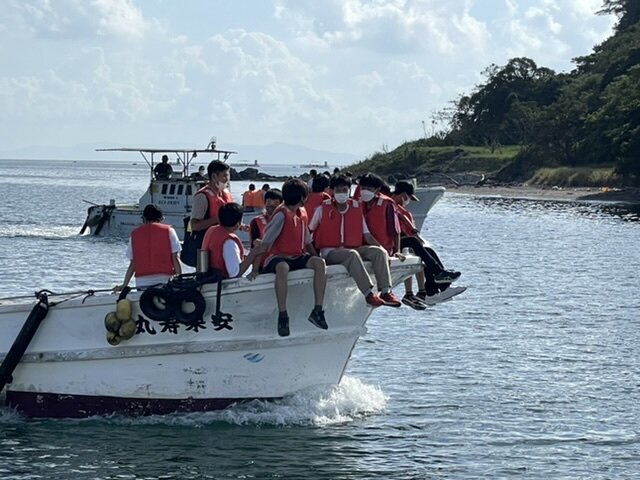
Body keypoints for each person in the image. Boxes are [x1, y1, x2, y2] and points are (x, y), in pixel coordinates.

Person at [309, 175, 402, 308]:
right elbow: (309, 231)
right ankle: (368, 294)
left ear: (349, 191)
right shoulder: (322, 209)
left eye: (344, 190)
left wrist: (384, 250)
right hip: (331, 252)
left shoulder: (356, 209)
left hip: (354, 247)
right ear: (332, 191)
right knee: (352, 254)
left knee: (378, 252)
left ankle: (386, 291)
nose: (342, 193)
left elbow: (367, 236)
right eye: (338, 190)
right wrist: (311, 254)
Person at [259, 178, 327, 337]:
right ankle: (283, 314)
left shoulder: (301, 214)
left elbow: (307, 241)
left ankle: (317, 310)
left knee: (319, 263)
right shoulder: (281, 215)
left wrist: (316, 257)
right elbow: (266, 242)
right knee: (282, 268)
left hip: (297, 256)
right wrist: (256, 266)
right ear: (302, 197)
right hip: (278, 257)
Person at [391, 181, 461, 307]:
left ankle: (438, 287)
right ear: (403, 195)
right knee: (415, 245)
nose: (409, 202)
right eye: (408, 198)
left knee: (428, 251)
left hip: (402, 240)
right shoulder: (391, 206)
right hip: (393, 242)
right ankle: (436, 280)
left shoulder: (398, 207)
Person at [115, 204, 181, 290]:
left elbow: (133, 264)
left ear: (144, 219)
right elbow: (175, 258)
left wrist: (124, 284)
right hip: (164, 281)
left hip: (142, 283)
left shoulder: (135, 234)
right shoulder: (169, 231)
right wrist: (180, 279)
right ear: (160, 219)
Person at [202, 203, 261, 279]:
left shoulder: (211, 230)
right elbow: (234, 273)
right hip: (221, 285)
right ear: (237, 224)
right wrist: (253, 253)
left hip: (209, 278)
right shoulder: (229, 242)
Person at [189, 160, 234, 234]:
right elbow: (194, 226)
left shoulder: (226, 193)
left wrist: (241, 226)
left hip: (225, 239)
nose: (227, 179)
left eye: (228, 176)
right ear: (214, 176)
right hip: (207, 241)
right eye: (224, 176)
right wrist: (217, 219)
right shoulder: (202, 197)